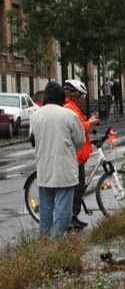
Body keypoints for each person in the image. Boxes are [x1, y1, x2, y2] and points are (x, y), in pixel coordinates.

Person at [29, 82, 86, 239]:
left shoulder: (35, 116)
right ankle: (56, 239)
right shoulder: (69, 115)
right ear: (62, 97)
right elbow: (80, 140)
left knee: (46, 206)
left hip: (44, 167)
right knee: (63, 207)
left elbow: (32, 138)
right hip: (65, 168)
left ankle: (46, 236)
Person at [63, 79, 100, 230]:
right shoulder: (70, 108)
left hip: (80, 156)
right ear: (75, 95)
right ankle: (71, 218)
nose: (83, 99)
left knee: (78, 188)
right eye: (81, 96)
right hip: (76, 156)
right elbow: (77, 127)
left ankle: (74, 217)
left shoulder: (74, 107)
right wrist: (90, 122)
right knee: (75, 189)